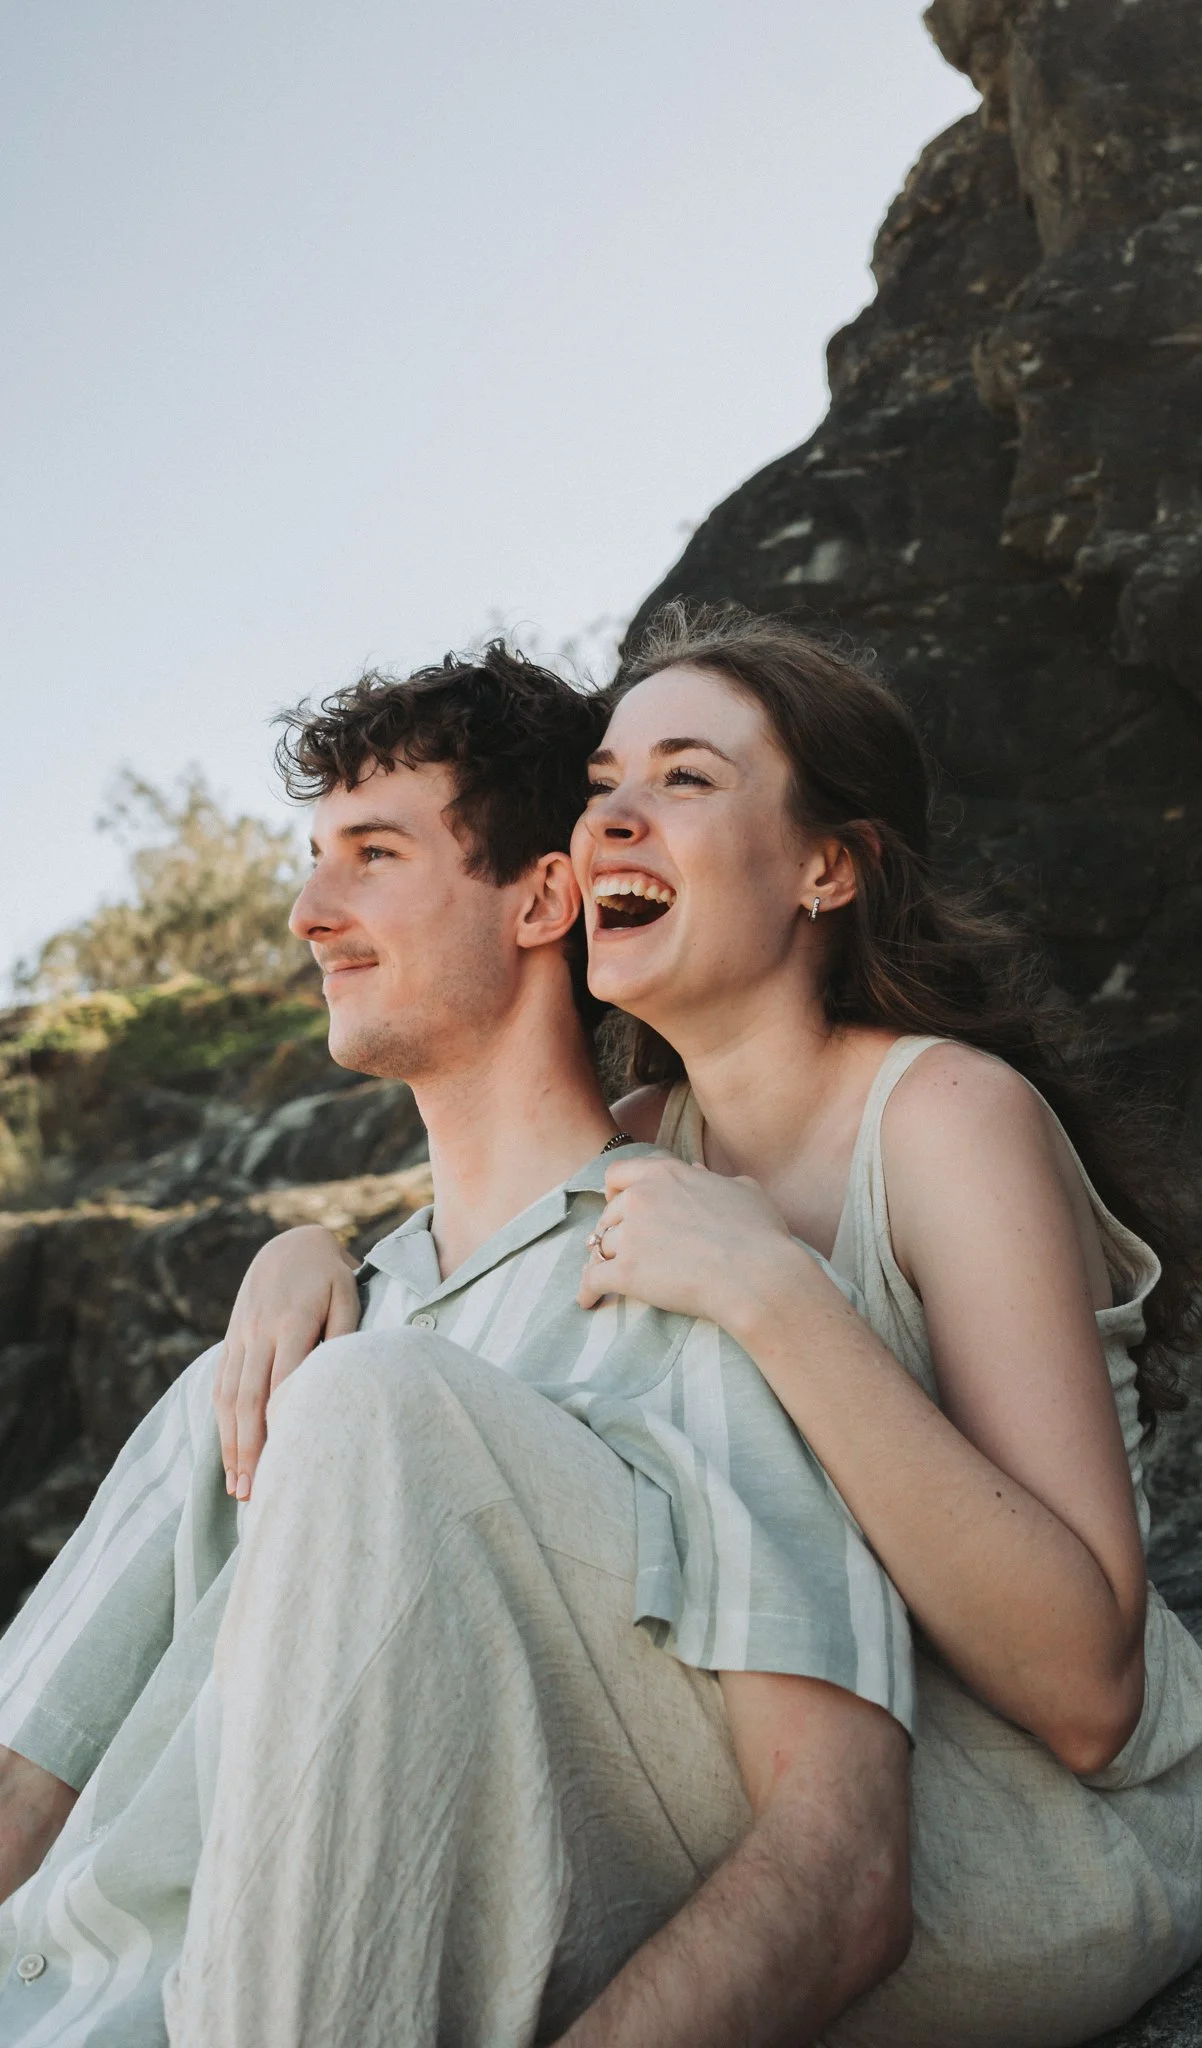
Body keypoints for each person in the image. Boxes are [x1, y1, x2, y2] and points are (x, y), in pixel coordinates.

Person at [244, 603, 1202, 2046]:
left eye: (685, 779)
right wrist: (311, 1257)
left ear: (829, 866)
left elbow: (1087, 1689)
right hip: (777, 1770)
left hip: (1016, 1835)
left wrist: (777, 1296)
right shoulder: (644, 1137)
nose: (611, 820)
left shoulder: (945, 1116)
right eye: (601, 787)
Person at [0, 646, 916, 2048]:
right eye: (315, 861)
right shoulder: (288, 1342)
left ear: (543, 899)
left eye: (374, 855)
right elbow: (23, 1777)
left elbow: (840, 1863)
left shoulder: (693, 1282)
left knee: (369, 1401)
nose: (311, 913)